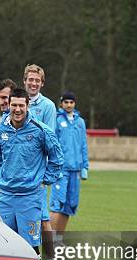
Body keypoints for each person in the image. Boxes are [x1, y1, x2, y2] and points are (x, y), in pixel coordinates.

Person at [0, 88, 63, 260]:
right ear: (9, 105)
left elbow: (57, 159)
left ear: (27, 105)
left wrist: (44, 181)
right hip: (6, 196)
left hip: (30, 196)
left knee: (29, 245)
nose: (17, 109)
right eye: (13, 105)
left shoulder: (40, 130)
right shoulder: (0, 129)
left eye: (20, 105)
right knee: (4, 242)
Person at [23, 64, 58, 260]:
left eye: (37, 80)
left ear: (42, 83)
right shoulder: (17, 102)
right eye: (30, 79)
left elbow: (49, 139)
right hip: (16, 172)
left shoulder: (48, 106)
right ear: (25, 81)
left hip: (36, 174)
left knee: (42, 219)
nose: (33, 83)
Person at [49, 92, 89, 240]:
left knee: (69, 206)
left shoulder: (80, 122)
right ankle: (50, 241)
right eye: (66, 102)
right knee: (57, 205)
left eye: (71, 102)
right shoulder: (57, 120)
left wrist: (85, 166)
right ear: (61, 103)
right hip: (61, 169)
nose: (69, 105)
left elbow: (83, 145)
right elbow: (53, 144)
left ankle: (59, 239)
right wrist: (54, 166)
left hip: (76, 170)